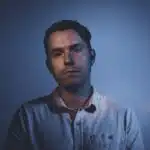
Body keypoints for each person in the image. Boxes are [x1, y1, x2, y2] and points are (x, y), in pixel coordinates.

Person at [5, 20, 144, 150]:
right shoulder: (27, 117)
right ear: (49, 65)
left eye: (76, 49)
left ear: (92, 57)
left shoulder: (123, 116)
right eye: (58, 53)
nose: (68, 60)